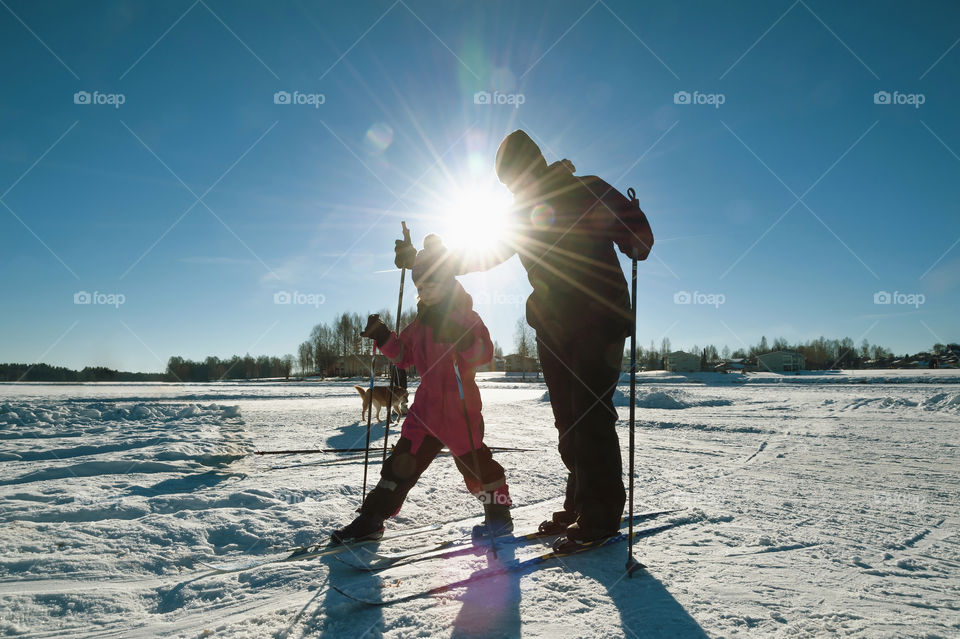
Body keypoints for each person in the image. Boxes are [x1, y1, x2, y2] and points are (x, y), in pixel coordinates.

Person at [396, 130, 651, 548]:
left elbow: (639, 239)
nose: (516, 187)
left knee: (590, 415)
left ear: (534, 165)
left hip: (599, 320)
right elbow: (476, 255)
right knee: (568, 421)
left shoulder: (586, 189)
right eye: (509, 183)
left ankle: (602, 514)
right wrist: (421, 262)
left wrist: (635, 228)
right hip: (553, 328)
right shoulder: (521, 215)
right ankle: (581, 503)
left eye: (518, 177)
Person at [332, 235, 513, 544]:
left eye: (432, 285)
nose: (426, 292)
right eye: (421, 288)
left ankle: (499, 516)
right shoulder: (421, 323)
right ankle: (372, 518)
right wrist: (384, 337)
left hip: (460, 411)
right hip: (426, 411)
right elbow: (404, 356)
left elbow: (483, 353)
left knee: (477, 467)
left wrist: (465, 339)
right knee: (400, 464)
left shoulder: (466, 317)